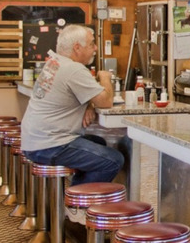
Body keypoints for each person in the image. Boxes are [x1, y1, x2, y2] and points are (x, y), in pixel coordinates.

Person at [21, 24, 124, 185]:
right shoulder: (74, 69)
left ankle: (74, 195)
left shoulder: (54, 63)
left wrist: (89, 104)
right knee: (114, 160)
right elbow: (105, 102)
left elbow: (85, 94)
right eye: (91, 44)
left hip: (34, 140)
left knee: (99, 143)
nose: (95, 48)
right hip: (51, 144)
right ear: (77, 47)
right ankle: (77, 206)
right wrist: (105, 77)